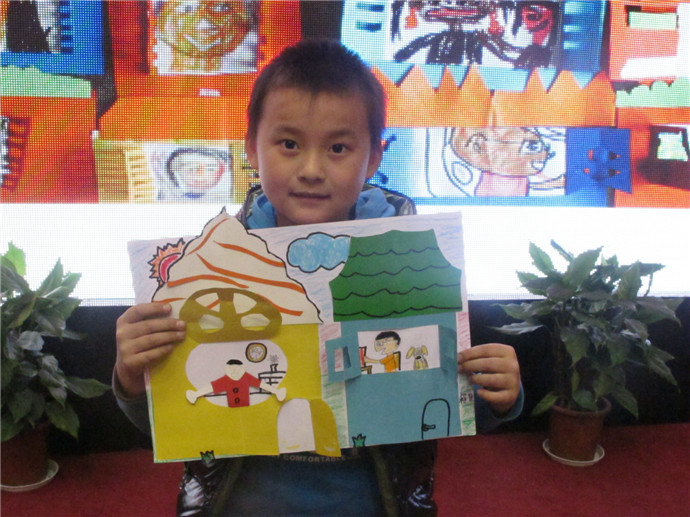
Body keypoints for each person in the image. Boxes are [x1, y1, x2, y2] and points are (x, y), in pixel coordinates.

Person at [114, 38, 523, 517]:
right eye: (289, 144)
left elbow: (438, 404)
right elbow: (175, 420)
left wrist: (495, 394)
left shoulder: (414, 261)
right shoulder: (207, 270)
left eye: (338, 148)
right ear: (251, 148)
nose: (311, 169)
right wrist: (132, 378)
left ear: (373, 158)